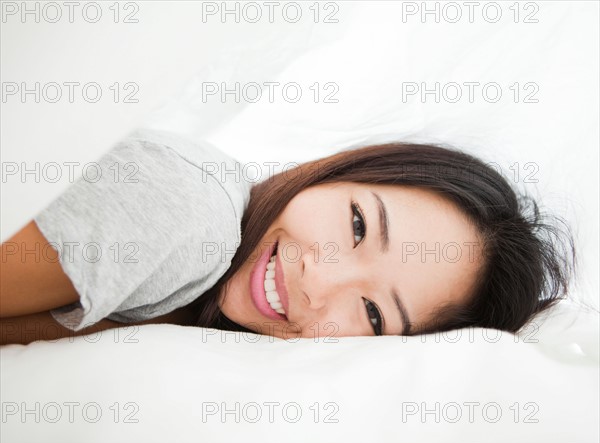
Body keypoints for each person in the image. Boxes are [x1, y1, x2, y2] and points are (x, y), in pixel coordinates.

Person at [0, 128, 576, 344]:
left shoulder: (196, 321)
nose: (321, 280)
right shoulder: (187, 211)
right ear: (334, 168)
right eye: (357, 225)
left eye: (374, 314)